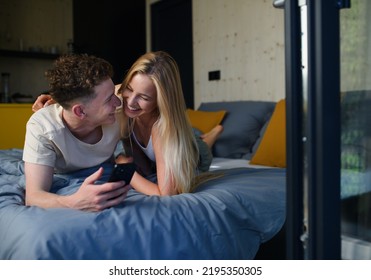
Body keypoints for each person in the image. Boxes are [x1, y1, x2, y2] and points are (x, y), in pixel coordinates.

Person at [32, 51, 224, 196]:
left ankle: (212, 135)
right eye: (129, 89)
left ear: (160, 100)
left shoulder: (161, 129)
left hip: (192, 150)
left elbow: (165, 194)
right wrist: (55, 100)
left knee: (201, 147)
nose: (129, 102)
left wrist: (124, 168)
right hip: (157, 150)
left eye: (143, 97)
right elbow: (87, 96)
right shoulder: (124, 100)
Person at [23, 54, 131, 211]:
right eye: (109, 100)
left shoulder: (124, 105)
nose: (119, 102)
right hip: (62, 173)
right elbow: (33, 197)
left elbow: (153, 82)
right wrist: (75, 202)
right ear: (80, 111)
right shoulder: (42, 127)